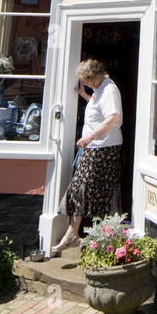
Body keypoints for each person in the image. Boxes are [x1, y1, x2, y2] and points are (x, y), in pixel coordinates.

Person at [52, 58, 123, 254]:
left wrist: (91, 136)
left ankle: (99, 236)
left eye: (88, 81)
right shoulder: (100, 89)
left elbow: (113, 118)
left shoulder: (109, 90)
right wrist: (84, 94)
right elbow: (98, 108)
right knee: (84, 187)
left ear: (97, 76)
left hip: (103, 148)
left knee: (93, 188)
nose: (88, 84)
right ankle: (75, 232)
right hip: (94, 147)